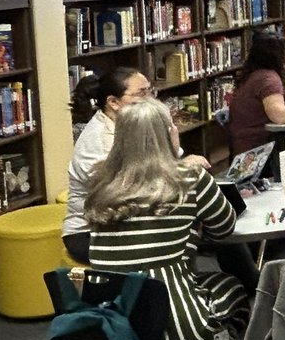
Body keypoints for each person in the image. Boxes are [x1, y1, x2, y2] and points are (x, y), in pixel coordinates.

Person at [86, 99, 249, 340]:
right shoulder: (189, 178)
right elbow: (224, 226)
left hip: (113, 326)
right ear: (167, 134)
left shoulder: (102, 183)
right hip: (172, 325)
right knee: (232, 287)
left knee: (183, 280)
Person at [63, 67, 209, 262]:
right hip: (94, 231)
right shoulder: (99, 140)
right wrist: (175, 159)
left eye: (150, 91)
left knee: (198, 211)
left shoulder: (137, 124)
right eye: (142, 93)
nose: (151, 99)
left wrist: (176, 161)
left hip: (131, 216)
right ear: (113, 102)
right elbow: (127, 192)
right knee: (183, 230)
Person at [227, 31, 285, 155]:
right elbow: (279, 115)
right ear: (275, 56)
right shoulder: (268, 79)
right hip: (258, 150)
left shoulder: (257, 74)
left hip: (247, 144)